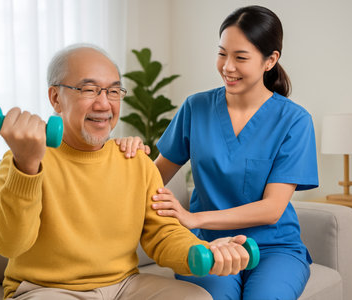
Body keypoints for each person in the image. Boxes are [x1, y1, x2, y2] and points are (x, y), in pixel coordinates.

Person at [0, 44, 252, 300]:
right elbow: (9, 245)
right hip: (48, 289)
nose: (104, 104)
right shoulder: (22, 161)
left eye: (113, 92)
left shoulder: (135, 161)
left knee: (197, 297)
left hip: (124, 285)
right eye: (89, 90)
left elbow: (163, 234)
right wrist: (28, 167)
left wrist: (204, 251)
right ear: (56, 98)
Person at [117, 5, 318, 300]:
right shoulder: (195, 108)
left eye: (240, 57)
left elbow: (272, 208)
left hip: (275, 248)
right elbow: (154, 176)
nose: (227, 66)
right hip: (207, 245)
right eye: (222, 53)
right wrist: (127, 156)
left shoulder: (294, 121)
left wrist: (194, 218)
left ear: (270, 60)